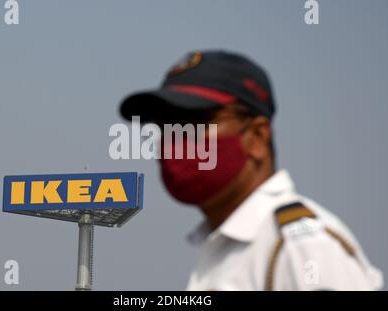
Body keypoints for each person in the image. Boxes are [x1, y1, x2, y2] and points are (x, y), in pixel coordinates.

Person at [119, 50, 383, 290]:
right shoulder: (225, 247)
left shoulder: (303, 248)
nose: (176, 138)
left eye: (195, 121)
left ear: (257, 137)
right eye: (165, 125)